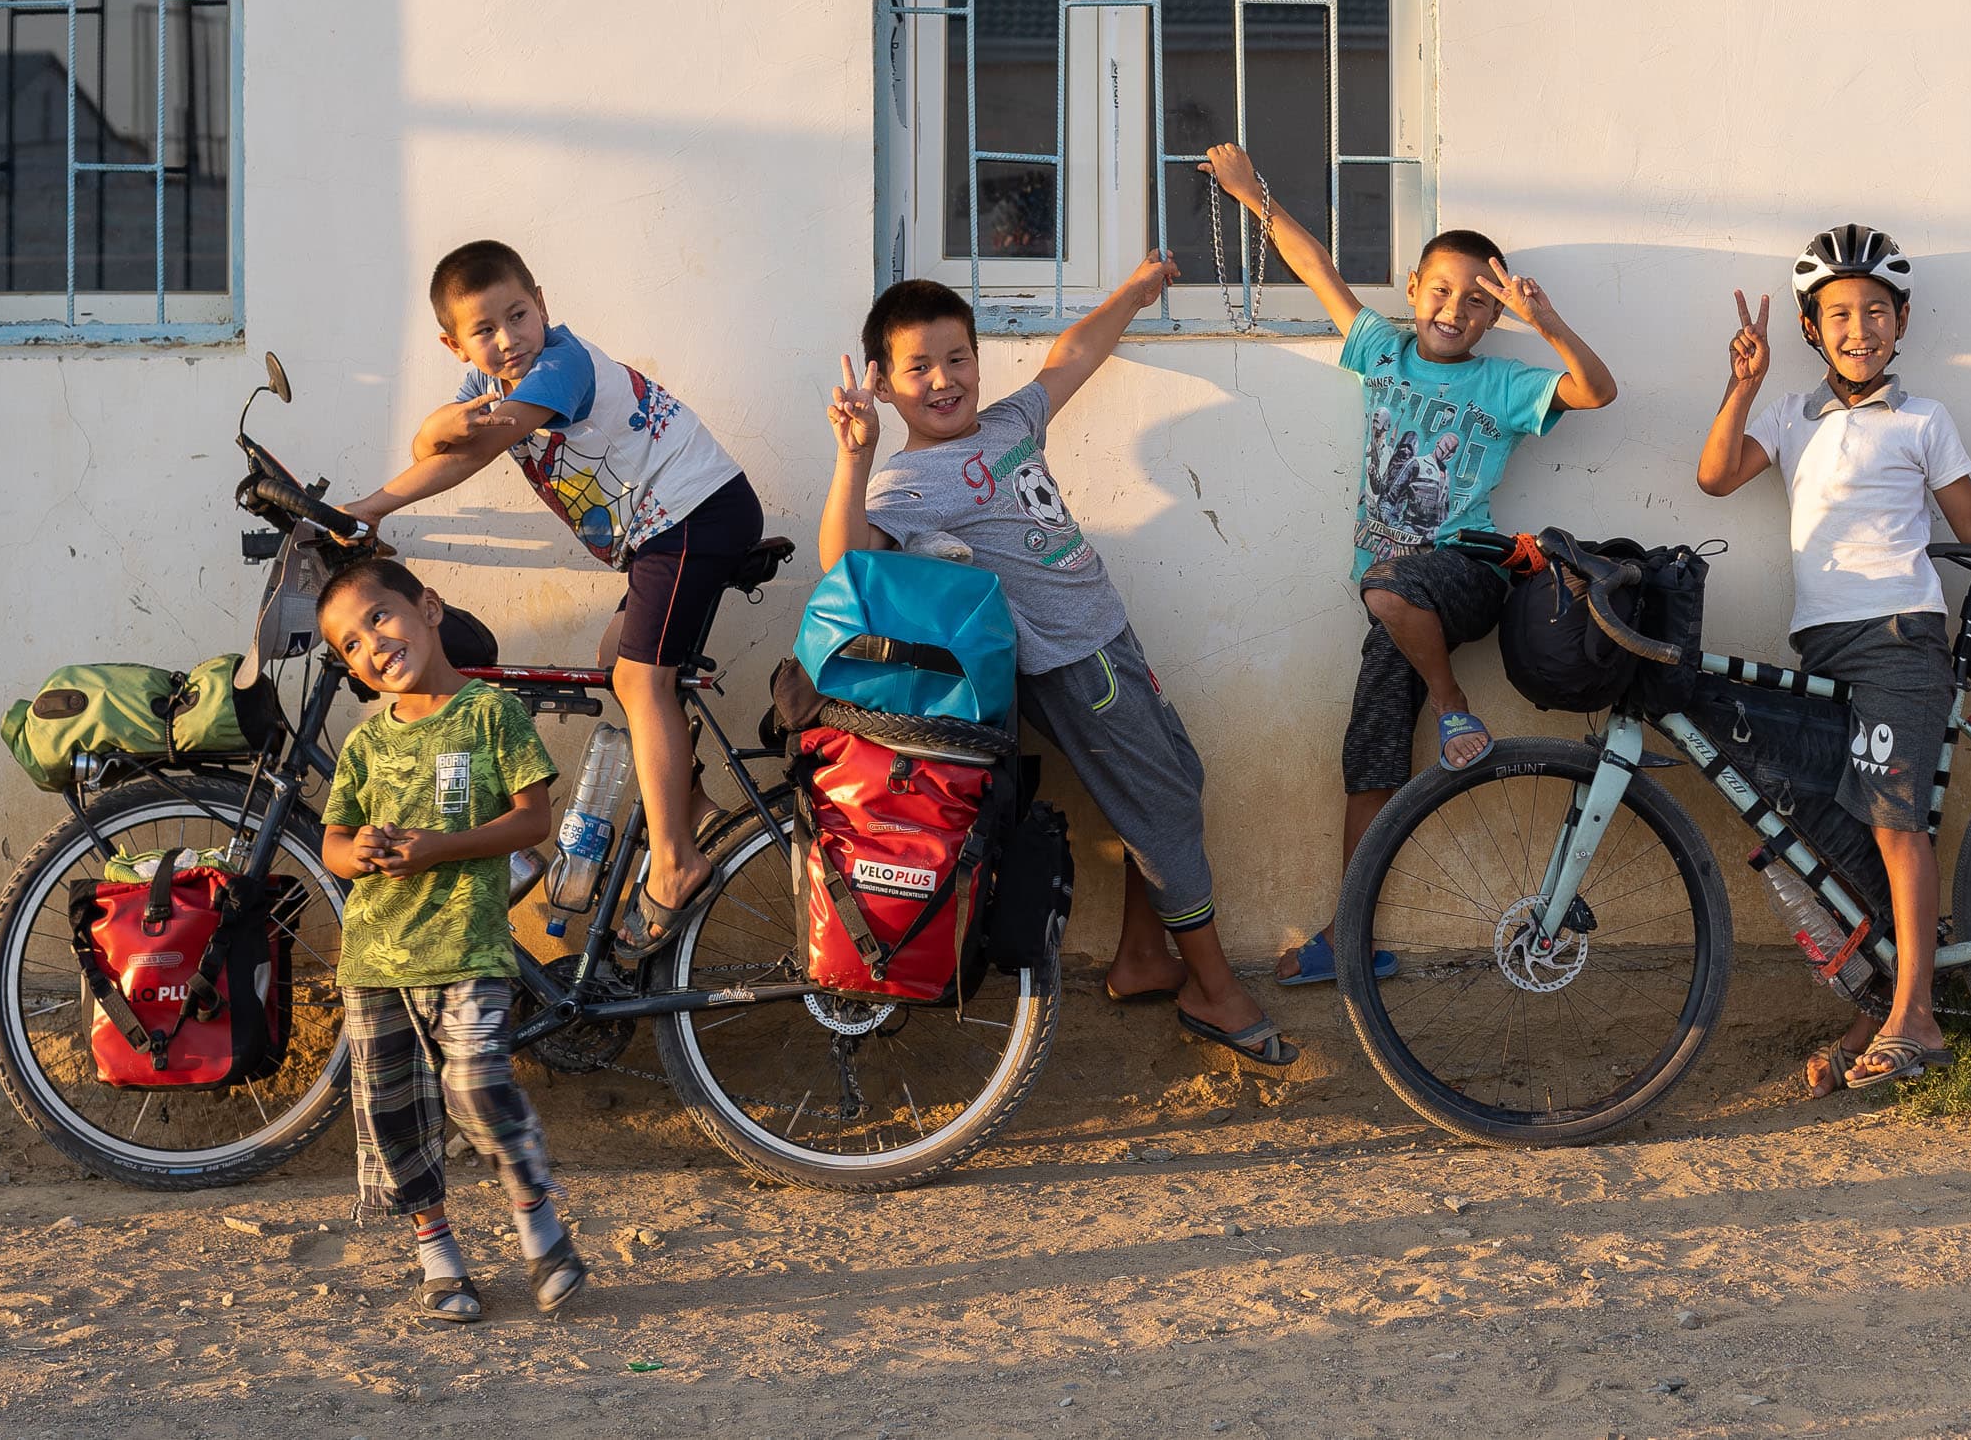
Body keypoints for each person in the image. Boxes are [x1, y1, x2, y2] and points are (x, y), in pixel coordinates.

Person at [818, 253, 1299, 1069]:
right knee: (1166, 813)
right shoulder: (907, 481)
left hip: (1109, 634)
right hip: (1072, 665)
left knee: (1177, 779)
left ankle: (1144, 958)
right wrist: (854, 457)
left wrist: (1138, 292)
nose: (943, 379)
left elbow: (1070, 358)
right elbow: (845, 565)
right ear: (887, 385)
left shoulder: (1008, 423)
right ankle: (1214, 990)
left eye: (957, 357)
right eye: (919, 367)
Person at [1694, 224, 1971, 1092]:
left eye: (1875, 312)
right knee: (1840, 833)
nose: (1858, 328)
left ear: (1903, 321)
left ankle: (1916, 1018)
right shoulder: (1787, 416)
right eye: (1839, 313)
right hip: (1822, 643)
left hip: (1898, 639)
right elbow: (1716, 477)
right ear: (1813, 327)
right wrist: (1743, 385)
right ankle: (1884, 1004)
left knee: (1895, 823)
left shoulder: (1923, 418)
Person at [1199, 144, 1620, 987]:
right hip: (1395, 600)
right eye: (1440, 290)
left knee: (1385, 583)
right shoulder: (1382, 351)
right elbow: (1314, 265)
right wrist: (1253, 194)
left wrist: (1550, 327)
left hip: (1465, 572)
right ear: (1413, 292)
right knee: (1370, 752)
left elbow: (1598, 390)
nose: (1454, 308)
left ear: (1493, 319)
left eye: (1475, 300)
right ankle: (1349, 933)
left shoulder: (1503, 383)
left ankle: (1456, 708)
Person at [342, 240, 763, 950]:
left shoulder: (560, 365)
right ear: (455, 344)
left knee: (640, 677)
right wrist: (433, 429)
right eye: (485, 330)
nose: (508, 338)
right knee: (615, 662)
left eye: (519, 314)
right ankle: (687, 801)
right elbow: (438, 449)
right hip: (667, 532)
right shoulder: (489, 381)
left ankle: (674, 860)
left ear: (543, 303)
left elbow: (469, 450)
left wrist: (369, 507)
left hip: (696, 515)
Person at [314, 558, 586, 1322]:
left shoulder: (489, 713)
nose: (371, 645)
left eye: (379, 618)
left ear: (427, 607)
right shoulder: (364, 747)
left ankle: (539, 1224)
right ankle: (439, 1256)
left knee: (476, 1086)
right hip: (374, 961)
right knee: (393, 1112)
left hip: (468, 949)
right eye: (350, 647)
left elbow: (535, 821)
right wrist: (357, 849)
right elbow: (334, 843)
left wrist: (441, 846)